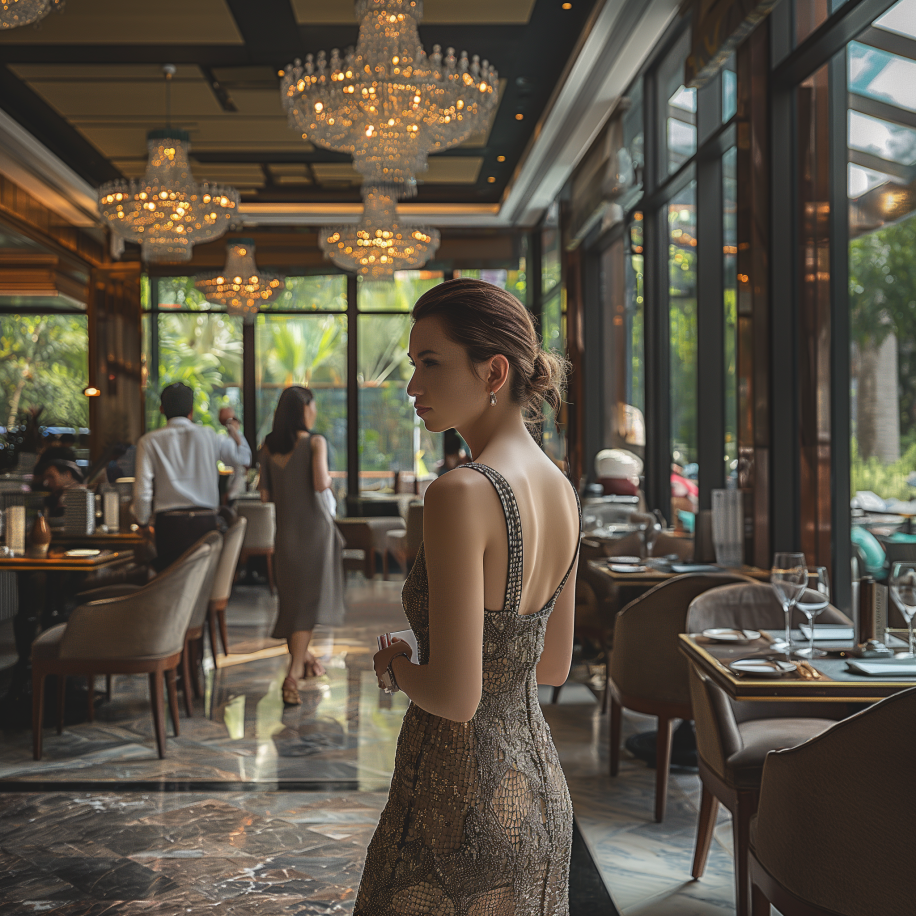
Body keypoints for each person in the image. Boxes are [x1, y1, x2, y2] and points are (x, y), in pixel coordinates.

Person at [356, 279, 581, 916]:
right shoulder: (560, 489)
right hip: (536, 799)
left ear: (494, 371)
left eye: (430, 362)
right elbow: (549, 665)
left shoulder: (460, 493)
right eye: (412, 364)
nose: (412, 385)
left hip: (455, 807)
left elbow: (457, 697)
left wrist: (396, 665)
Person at [259, 386, 345, 706]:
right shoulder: (315, 442)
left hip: (285, 536)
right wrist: (331, 479)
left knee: (294, 604)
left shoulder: (267, 448)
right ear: (304, 409)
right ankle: (293, 674)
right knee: (306, 607)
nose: (315, 412)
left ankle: (304, 659)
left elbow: (264, 495)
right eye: (313, 406)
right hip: (314, 534)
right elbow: (321, 482)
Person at [132, 382, 251, 571]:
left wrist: (143, 522)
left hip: (168, 527)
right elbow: (243, 458)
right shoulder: (210, 436)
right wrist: (232, 428)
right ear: (191, 410)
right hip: (205, 525)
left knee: (171, 583)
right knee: (201, 586)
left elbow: (142, 492)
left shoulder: (148, 442)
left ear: (162, 409)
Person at [218, 406, 249, 506]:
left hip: (237, 490)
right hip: (235, 492)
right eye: (232, 420)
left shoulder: (237, 440)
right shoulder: (228, 443)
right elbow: (243, 461)